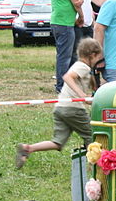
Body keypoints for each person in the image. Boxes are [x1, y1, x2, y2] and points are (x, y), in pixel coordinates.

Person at [16, 39, 102, 168]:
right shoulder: (82, 66)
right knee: (92, 135)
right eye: (98, 58)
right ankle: (98, 165)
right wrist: (82, 95)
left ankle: (28, 148)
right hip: (73, 109)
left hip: (60, 108)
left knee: (57, 142)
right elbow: (67, 77)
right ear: (93, 55)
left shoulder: (82, 67)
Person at [51, 0, 85, 93]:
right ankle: (62, 86)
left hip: (59, 22)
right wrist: (81, 16)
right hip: (64, 23)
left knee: (64, 55)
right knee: (65, 56)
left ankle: (65, 83)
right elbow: (75, 2)